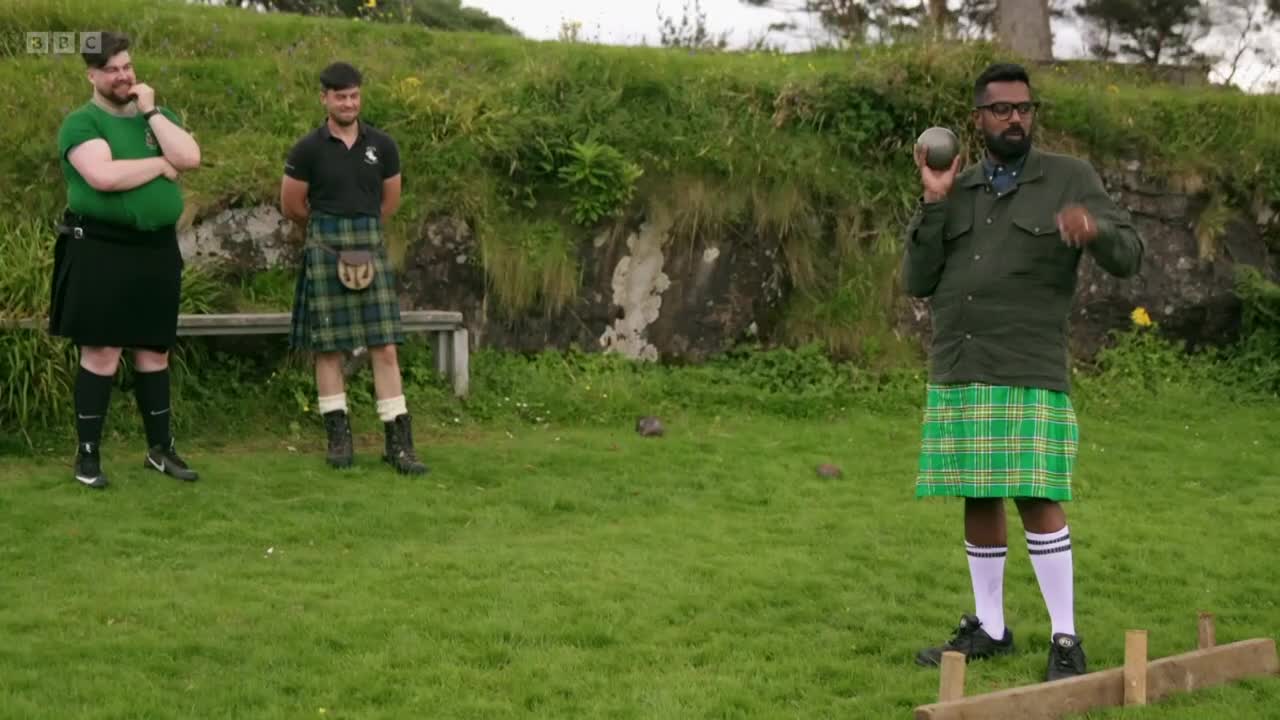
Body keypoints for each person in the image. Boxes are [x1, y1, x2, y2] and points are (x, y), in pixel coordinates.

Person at [902, 62, 1144, 681]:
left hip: (1028, 361)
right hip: (961, 360)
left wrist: (1093, 230)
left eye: (1025, 109)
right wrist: (933, 199)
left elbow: (1129, 254)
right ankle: (991, 627)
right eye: (1002, 109)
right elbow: (918, 279)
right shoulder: (960, 187)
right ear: (978, 120)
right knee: (978, 493)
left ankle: (1066, 639)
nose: (1016, 118)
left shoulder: (1068, 177)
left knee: (1038, 494)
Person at [52, 31, 203, 489]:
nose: (123, 76)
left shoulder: (155, 117)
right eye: (112, 69)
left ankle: (160, 450)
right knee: (101, 350)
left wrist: (152, 112)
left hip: (155, 249)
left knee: (154, 349)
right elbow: (103, 176)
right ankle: (88, 456)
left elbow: (190, 156)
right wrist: (158, 166)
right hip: (101, 246)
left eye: (127, 67)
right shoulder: (82, 123)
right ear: (92, 75)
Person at [280, 61, 427, 475]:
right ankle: (338, 438)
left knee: (385, 345)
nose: (349, 103)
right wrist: (330, 233)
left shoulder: (383, 145)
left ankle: (399, 444)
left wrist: (361, 232)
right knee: (328, 348)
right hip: (325, 245)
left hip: (369, 241)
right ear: (324, 98)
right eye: (341, 96)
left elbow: (389, 202)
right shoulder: (307, 148)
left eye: (354, 95)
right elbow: (292, 205)